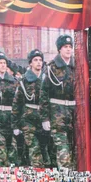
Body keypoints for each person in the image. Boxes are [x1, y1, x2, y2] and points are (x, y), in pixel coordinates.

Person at [40, 35, 76, 168]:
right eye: (65, 47)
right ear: (59, 49)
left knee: (74, 146)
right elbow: (43, 94)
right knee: (62, 147)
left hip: (74, 112)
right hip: (57, 112)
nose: (68, 49)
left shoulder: (77, 66)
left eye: (70, 47)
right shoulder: (51, 68)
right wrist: (45, 118)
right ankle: (65, 177)